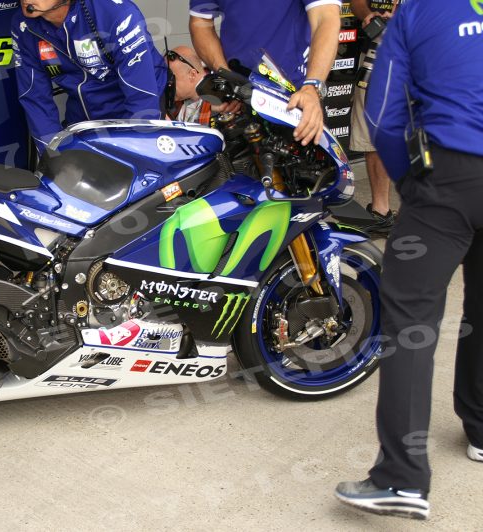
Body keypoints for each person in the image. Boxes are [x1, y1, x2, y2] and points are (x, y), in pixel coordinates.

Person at [335, 0, 483, 520]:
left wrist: (409, 185)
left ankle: (401, 479)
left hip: (448, 177)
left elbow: (381, 113)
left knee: (411, 323)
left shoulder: (420, 9)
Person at [12, 0, 167, 153]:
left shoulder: (117, 13)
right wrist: (55, 156)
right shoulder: (23, 26)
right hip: (81, 118)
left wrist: (134, 151)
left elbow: (142, 98)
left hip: (136, 112)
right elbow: (35, 99)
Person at [188, 0, 341, 146]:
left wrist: (312, 86)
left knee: (308, 170)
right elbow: (200, 23)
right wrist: (226, 74)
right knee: (240, 169)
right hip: (240, 94)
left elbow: (326, 17)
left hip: (295, 95)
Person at [349, 0, 397, 234]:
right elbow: (357, 2)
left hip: (426, 52)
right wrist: (369, 15)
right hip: (376, 54)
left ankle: (441, 213)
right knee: (373, 133)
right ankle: (380, 212)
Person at [166, 46, 212, 125]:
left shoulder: (220, 101)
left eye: (172, 79)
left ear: (192, 74)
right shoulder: (175, 104)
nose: (168, 85)